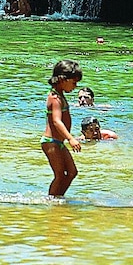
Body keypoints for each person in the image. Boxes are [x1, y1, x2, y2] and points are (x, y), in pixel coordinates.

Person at [41, 60, 83, 197]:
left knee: (72, 172)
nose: (75, 86)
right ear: (62, 79)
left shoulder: (60, 96)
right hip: (51, 141)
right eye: (74, 82)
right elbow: (56, 121)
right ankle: (52, 200)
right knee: (59, 175)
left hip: (59, 142)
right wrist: (71, 139)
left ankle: (58, 197)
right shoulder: (55, 98)